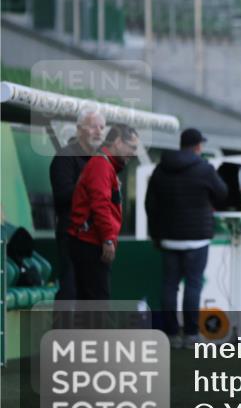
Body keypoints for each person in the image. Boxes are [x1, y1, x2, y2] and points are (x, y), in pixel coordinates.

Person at [145, 128, 228, 349]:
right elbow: (222, 194)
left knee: (169, 285)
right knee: (193, 285)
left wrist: (156, 234)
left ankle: (171, 335)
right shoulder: (205, 169)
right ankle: (191, 334)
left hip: (169, 237)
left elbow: (149, 204)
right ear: (198, 146)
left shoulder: (161, 169)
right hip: (197, 238)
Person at [67, 125, 139, 301]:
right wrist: (107, 238)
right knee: (97, 302)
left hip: (89, 240)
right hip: (91, 242)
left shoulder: (104, 165)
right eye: (133, 147)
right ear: (118, 142)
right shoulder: (101, 165)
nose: (134, 153)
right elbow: (100, 205)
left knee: (90, 301)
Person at [49, 109, 106, 300]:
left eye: (101, 127)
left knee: (96, 293)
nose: (98, 131)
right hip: (72, 235)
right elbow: (62, 197)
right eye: (93, 126)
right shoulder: (64, 157)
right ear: (80, 129)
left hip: (99, 236)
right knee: (70, 290)